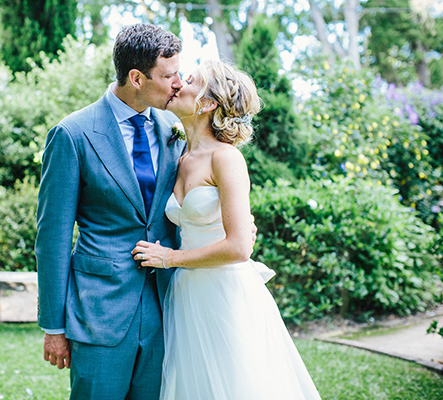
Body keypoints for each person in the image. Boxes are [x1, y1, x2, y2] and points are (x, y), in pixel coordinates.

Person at [132, 61, 322, 400]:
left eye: (189, 80)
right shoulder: (180, 154)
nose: (177, 83)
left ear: (207, 103)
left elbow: (238, 248)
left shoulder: (226, 158)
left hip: (224, 293)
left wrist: (170, 258)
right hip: (186, 293)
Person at [35, 24, 186, 399]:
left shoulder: (173, 128)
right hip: (99, 308)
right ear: (136, 77)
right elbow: (52, 238)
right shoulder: (72, 134)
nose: (179, 84)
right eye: (169, 76)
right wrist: (54, 326)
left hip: (166, 305)